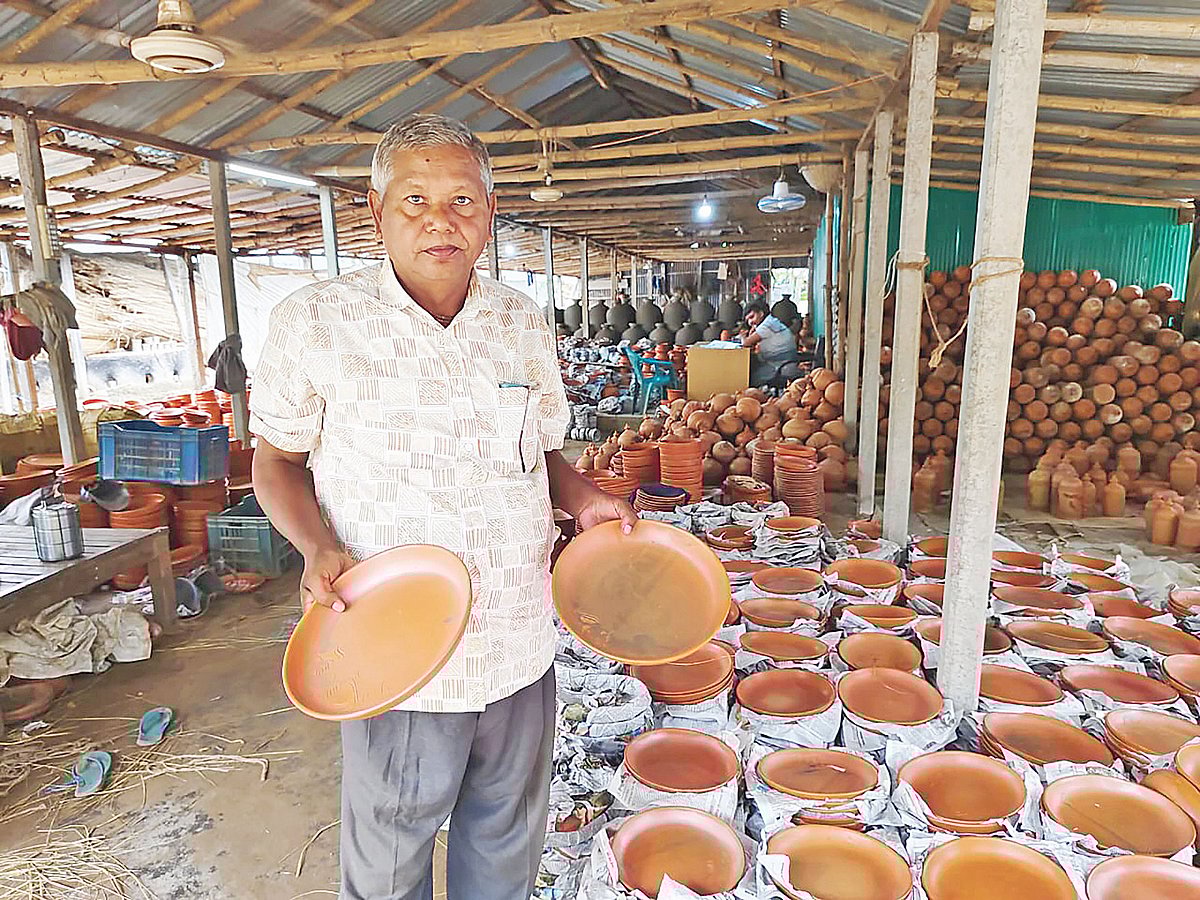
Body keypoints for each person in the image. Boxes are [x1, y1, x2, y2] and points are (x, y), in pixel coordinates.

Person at [250, 114, 636, 900]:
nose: (439, 219)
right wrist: (317, 547)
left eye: (462, 200)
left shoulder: (519, 323)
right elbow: (276, 463)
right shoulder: (316, 323)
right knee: (391, 854)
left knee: (504, 846)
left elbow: (540, 450)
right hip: (399, 652)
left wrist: (584, 499)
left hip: (518, 641)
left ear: (490, 214)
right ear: (374, 208)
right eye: (414, 199)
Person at [741, 301, 799, 385]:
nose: (750, 322)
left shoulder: (766, 326)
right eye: (748, 320)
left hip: (780, 365)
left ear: (761, 313)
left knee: (749, 376)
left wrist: (743, 336)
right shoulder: (772, 321)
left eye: (752, 317)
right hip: (787, 361)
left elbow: (746, 343)